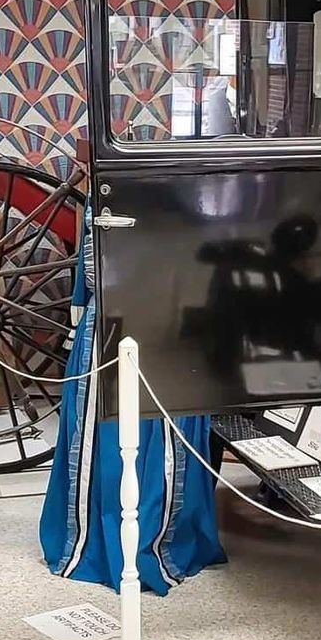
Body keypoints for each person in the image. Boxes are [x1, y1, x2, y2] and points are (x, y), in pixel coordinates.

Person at [39, 205, 226, 596]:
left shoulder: (160, 200)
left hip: (166, 326)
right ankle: (131, 541)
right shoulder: (114, 202)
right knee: (113, 428)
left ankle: (153, 535)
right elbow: (95, 275)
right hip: (126, 327)